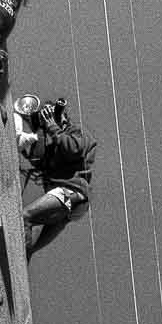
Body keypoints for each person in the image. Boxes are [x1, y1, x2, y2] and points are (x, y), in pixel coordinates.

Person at [19, 98, 96, 258]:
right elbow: (37, 159)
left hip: (71, 192)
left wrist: (52, 125)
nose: (49, 118)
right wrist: (37, 125)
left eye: (52, 113)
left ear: (64, 117)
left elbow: (73, 149)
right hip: (69, 203)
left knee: (25, 217)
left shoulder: (77, 132)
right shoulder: (52, 145)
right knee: (29, 245)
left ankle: (15, 271)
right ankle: (17, 276)